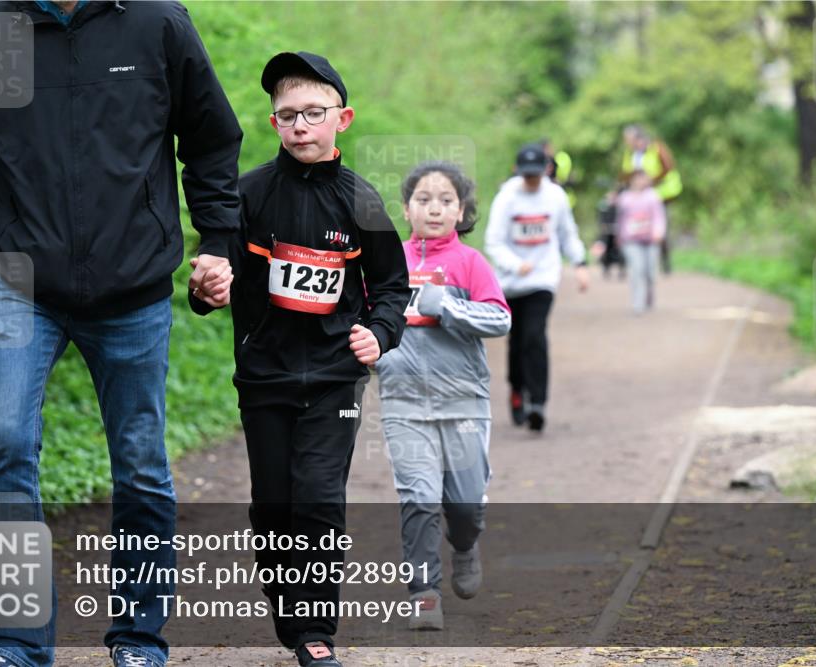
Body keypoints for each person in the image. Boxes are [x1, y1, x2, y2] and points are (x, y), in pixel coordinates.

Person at [0, 2, 243, 666]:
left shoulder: (157, 22)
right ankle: (19, 646)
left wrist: (219, 242)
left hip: (133, 288)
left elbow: (210, 138)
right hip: (16, 281)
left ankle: (139, 637)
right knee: (5, 443)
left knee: (141, 464)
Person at [193, 51, 409, 667]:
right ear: (273, 125)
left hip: (336, 376)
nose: (300, 126)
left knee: (317, 497)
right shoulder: (248, 194)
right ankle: (289, 610)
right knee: (274, 502)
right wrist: (206, 289)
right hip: (264, 376)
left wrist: (380, 333)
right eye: (286, 116)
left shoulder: (362, 201)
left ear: (342, 118)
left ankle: (316, 630)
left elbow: (392, 287)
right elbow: (215, 277)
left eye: (313, 113)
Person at [375, 161, 511, 630]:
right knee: (419, 498)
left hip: (463, 403)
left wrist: (448, 306)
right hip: (404, 402)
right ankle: (424, 593)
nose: (434, 208)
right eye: (424, 199)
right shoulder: (388, 260)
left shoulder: (470, 263)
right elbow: (362, 318)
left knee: (465, 505)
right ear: (406, 208)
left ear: (461, 211)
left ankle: (466, 544)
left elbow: (500, 319)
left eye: (446, 200)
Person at [485, 144, 588, 433]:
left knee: (535, 335)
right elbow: (494, 241)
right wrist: (516, 264)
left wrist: (580, 263)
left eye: (537, 175)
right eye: (526, 175)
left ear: (546, 170)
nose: (531, 181)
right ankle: (517, 390)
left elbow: (567, 234)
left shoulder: (555, 196)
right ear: (518, 171)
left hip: (542, 279)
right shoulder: (507, 196)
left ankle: (538, 402)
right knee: (517, 341)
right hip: (510, 282)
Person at [619, 125, 681, 273]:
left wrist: (651, 181)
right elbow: (627, 173)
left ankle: (665, 262)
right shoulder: (631, 154)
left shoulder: (657, 149)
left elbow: (668, 168)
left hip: (660, 194)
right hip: (639, 196)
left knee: (660, 227)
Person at [615, 169, 666, 314]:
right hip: (631, 240)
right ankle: (637, 303)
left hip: (650, 240)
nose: (640, 181)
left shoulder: (653, 196)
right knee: (636, 270)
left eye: (642, 178)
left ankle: (649, 298)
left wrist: (658, 232)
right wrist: (619, 236)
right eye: (637, 178)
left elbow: (659, 217)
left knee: (649, 272)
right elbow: (620, 219)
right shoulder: (624, 198)